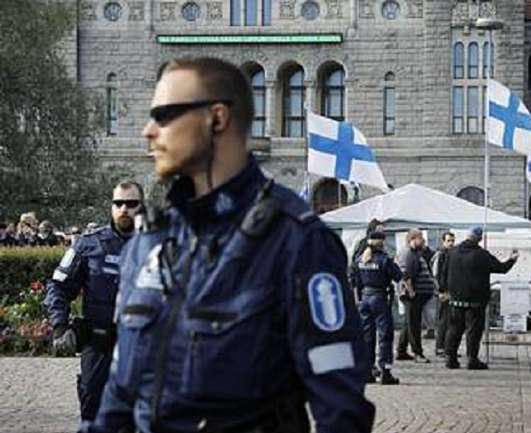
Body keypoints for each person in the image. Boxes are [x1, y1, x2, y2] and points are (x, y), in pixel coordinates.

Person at [84, 57, 374, 433]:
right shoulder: (149, 242)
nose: (148, 131)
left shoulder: (296, 242)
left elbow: (342, 412)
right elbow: (119, 400)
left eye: (164, 115)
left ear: (216, 118)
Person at [43, 181, 145, 422]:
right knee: (93, 409)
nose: (124, 209)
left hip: (143, 347)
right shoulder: (89, 244)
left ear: (142, 207)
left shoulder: (160, 244)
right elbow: (58, 286)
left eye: (131, 204)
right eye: (118, 203)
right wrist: (59, 326)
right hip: (99, 344)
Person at [442, 226, 518, 370]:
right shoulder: (481, 254)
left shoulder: (452, 252)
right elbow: (501, 268)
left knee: (454, 328)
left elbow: (444, 273)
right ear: (480, 238)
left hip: (456, 298)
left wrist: (444, 289)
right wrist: (512, 260)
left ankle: (450, 358)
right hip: (476, 299)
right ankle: (472, 359)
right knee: (474, 330)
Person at [350, 230, 403, 385]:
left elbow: (354, 280)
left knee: (367, 335)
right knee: (385, 334)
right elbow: (398, 276)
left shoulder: (360, 259)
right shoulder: (384, 259)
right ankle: (385, 371)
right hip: (380, 298)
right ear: (382, 242)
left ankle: (367, 371)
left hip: (364, 299)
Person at [396, 229, 434, 363]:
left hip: (417, 295)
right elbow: (407, 276)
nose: (423, 240)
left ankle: (401, 351)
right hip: (412, 295)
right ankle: (418, 353)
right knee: (414, 324)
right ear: (412, 239)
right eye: (420, 238)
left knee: (409, 323)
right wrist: (411, 292)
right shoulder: (409, 254)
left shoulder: (416, 253)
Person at [431, 231, 455, 357]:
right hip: (443, 292)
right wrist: (439, 291)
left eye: (452, 240)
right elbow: (435, 275)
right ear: (443, 241)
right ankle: (440, 347)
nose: (451, 243)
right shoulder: (440, 255)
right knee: (443, 321)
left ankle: (447, 347)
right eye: (448, 241)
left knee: (450, 321)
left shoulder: (451, 254)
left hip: (451, 292)